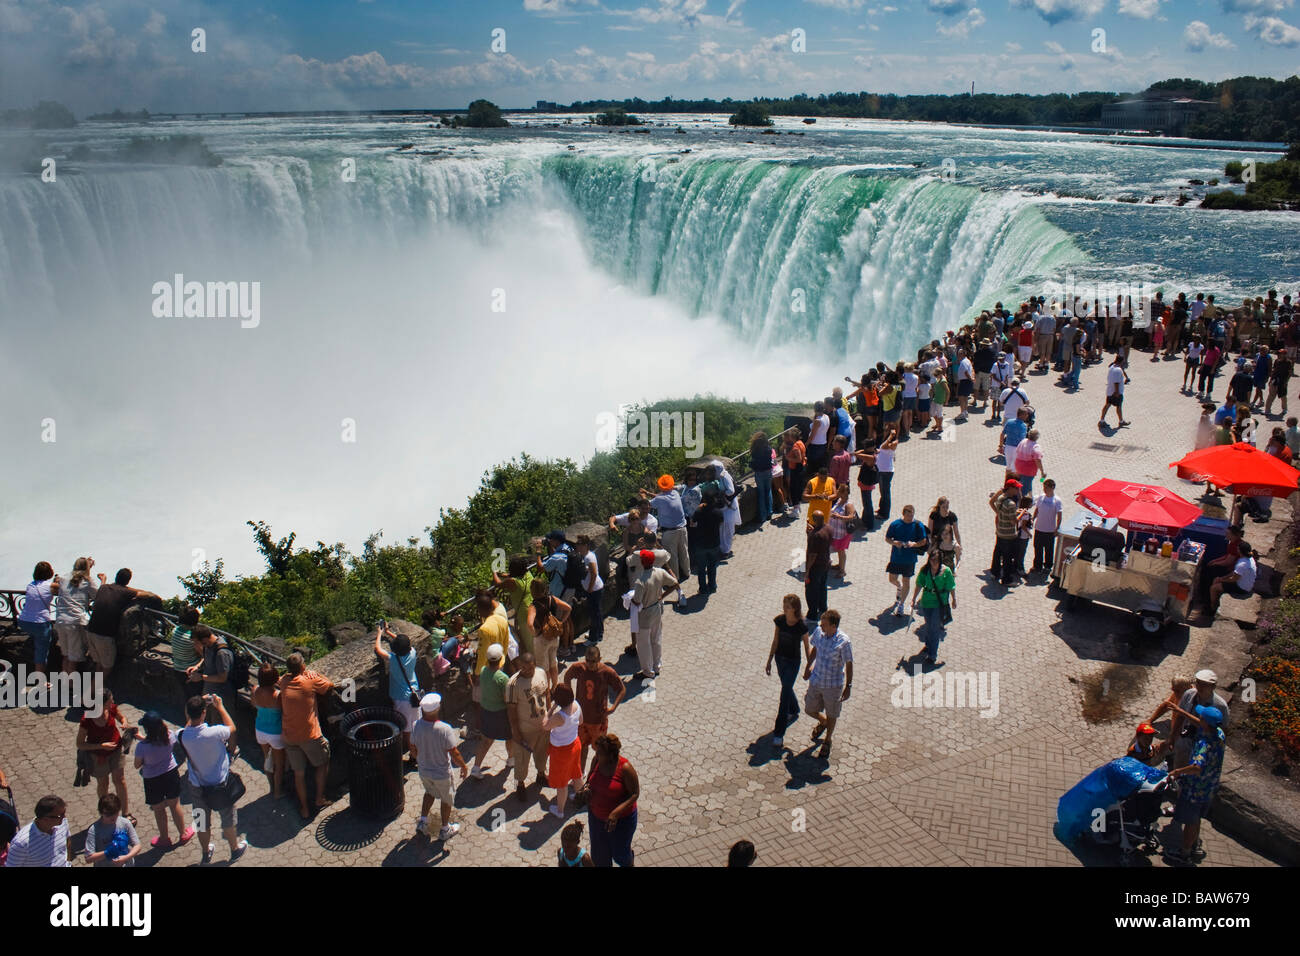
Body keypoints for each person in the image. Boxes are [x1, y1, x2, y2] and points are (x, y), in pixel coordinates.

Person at [177, 694, 246, 863]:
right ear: (204, 713)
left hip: (196, 785)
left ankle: (206, 853)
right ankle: (234, 850)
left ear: (188, 713)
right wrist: (220, 706)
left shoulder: (181, 736)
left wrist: (194, 707)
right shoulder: (214, 732)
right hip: (220, 784)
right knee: (227, 818)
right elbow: (232, 728)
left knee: (201, 821)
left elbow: (186, 728)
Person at [1164, 704, 1226, 865]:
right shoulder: (1219, 734)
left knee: (1190, 822)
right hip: (1209, 788)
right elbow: (1201, 724)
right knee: (1197, 817)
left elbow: (1197, 767)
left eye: (1202, 717)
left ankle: (1184, 852)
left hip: (1194, 791)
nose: (1200, 719)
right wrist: (1182, 712)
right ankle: (1194, 844)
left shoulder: (1203, 745)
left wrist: (1177, 772)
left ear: (1206, 723)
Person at [277, 653, 334, 820]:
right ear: (303, 667)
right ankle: (319, 798)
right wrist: (316, 674)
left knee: (299, 773)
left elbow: (280, 679)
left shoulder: (284, 681)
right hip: (310, 735)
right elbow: (329, 685)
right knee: (322, 764)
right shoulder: (310, 680)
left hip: (289, 735)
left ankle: (304, 808)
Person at [85, 568, 160, 683]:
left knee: (99, 664)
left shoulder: (104, 588)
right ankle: (89, 694)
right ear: (128, 581)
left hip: (90, 631)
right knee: (107, 667)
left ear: (116, 577)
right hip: (104, 635)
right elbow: (147, 594)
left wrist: (103, 579)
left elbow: (104, 586)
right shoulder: (126, 592)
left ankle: (93, 692)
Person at [411, 693, 469, 841]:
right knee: (446, 799)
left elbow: (413, 749)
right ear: (438, 708)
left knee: (429, 793)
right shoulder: (445, 729)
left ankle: (423, 821)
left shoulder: (416, 725)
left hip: (424, 771)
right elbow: (454, 752)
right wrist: (463, 766)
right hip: (442, 774)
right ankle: (445, 829)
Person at [132, 711, 193, 849]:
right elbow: (156, 743)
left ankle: (164, 839)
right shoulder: (169, 735)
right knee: (174, 804)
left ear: (147, 729)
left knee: (159, 810)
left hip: (152, 780)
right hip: (170, 774)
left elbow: (137, 765)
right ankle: (183, 833)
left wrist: (142, 740)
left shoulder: (142, 747)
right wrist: (142, 738)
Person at [564, 644, 625, 774]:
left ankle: (595, 774)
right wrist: (569, 698)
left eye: (593, 661)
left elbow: (621, 689)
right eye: (587, 660)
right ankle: (580, 773)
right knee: (581, 747)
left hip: (598, 721)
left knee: (600, 750)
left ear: (599, 659)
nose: (590, 664)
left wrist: (613, 708)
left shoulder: (607, 672)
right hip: (581, 719)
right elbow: (567, 677)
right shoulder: (579, 668)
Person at [580, 733, 639, 867]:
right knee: (600, 857)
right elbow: (589, 779)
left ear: (611, 755)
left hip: (621, 821)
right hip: (596, 818)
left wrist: (615, 813)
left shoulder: (625, 769)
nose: (597, 754)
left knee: (620, 855)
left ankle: (629, 861)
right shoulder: (596, 761)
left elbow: (635, 793)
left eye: (600, 752)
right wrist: (585, 789)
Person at [76, 687, 132, 824]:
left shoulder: (111, 709)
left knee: (120, 780)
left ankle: (125, 814)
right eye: (110, 700)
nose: (113, 702)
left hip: (116, 750)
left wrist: (124, 722)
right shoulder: (87, 720)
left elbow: (121, 717)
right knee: (103, 783)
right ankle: (108, 813)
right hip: (98, 756)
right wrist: (101, 746)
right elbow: (80, 744)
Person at [803, 610, 852, 760]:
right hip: (817, 680)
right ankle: (822, 721)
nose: (821, 627)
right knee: (809, 708)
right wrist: (808, 666)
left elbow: (849, 664)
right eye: (821, 624)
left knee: (832, 713)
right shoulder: (819, 632)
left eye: (824, 625)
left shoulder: (843, 642)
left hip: (833, 685)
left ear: (833, 626)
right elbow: (815, 649)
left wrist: (848, 686)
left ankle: (827, 740)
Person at [766, 594, 811, 747]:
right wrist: (770, 660)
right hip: (780, 659)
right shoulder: (779, 620)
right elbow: (775, 640)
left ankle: (779, 732)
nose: (785, 609)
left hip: (793, 661)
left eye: (788, 607)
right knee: (786, 687)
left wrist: (809, 666)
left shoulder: (801, 626)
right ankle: (795, 708)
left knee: (784, 694)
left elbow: (806, 646)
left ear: (795, 609)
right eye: (784, 605)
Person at [504, 652, 549, 800]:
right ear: (519, 666)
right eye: (524, 668)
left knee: (542, 753)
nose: (528, 671)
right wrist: (515, 731)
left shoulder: (541, 673)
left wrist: (549, 715)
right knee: (522, 759)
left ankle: (541, 775)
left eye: (530, 668)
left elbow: (547, 693)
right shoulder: (513, 684)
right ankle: (520, 785)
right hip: (525, 729)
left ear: (534, 665)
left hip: (542, 726)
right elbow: (511, 710)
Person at [54, 557, 105, 683]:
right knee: (73, 658)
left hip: (60, 620)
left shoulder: (64, 578)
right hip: (75, 622)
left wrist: (87, 566)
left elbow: (72, 580)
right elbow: (100, 596)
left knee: (65, 656)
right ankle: (70, 687)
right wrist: (103, 580)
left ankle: (64, 683)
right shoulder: (88, 581)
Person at [630, 549, 678, 680]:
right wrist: (662, 596)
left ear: (642, 562)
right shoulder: (660, 572)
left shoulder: (640, 581)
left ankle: (647, 671)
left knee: (644, 644)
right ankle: (657, 666)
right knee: (656, 639)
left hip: (645, 615)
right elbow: (675, 583)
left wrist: (630, 601)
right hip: (657, 610)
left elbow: (637, 601)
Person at [374, 624, 419, 761]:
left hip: (401, 699)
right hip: (415, 695)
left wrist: (380, 633)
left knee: (406, 731)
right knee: (416, 726)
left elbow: (378, 649)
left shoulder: (393, 659)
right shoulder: (413, 653)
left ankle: (416, 757)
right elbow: (406, 643)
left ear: (395, 649)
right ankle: (417, 753)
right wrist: (389, 632)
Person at [544, 684, 584, 819]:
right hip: (575, 744)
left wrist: (550, 710)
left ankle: (560, 810)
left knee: (562, 784)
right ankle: (579, 799)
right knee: (577, 774)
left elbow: (545, 725)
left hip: (561, 751)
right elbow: (581, 721)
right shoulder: (577, 705)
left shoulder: (559, 716)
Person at [16, 561, 58, 687]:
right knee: (41, 652)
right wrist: (58, 581)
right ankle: (41, 681)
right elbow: (61, 591)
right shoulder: (50, 586)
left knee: (37, 641)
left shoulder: (30, 585)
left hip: (23, 621)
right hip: (39, 623)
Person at [471, 643, 510, 778]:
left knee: (486, 740)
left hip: (486, 710)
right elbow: (506, 699)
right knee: (509, 737)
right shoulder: (503, 678)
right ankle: (511, 760)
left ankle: (476, 767)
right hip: (500, 712)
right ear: (501, 659)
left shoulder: (482, 671)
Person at [912, 549, 956, 666]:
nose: (934, 563)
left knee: (934, 629)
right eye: (932, 560)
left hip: (939, 603)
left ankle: (932, 655)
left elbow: (951, 586)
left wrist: (954, 600)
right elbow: (919, 584)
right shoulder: (925, 570)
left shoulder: (946, 571)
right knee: (928, 625)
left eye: (936, 561)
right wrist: (914, 598)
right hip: (927, 602)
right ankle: (928, 644)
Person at [527, 578, 570, 690]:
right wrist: (561, 622)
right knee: (553, 663)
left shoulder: (533, 606)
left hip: (541, 638)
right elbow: (568, 608)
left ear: (532, 591)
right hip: (554, 636)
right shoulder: (552, 599)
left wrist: (535, 634)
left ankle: (547, 690)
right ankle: (555, 686)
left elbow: (530, 624)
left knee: (543, 667)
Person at [884, 504, 928, 616]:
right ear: (903, 514)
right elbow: (887, 538)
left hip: (909, 559)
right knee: (892, 579)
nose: (910, 518)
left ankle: (901, 605)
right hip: (896, 558)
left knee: (906, 581)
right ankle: (899, 587)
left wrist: (914, 544)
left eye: (912, 515)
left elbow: (923, 541)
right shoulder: (895, 524)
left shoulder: (918, 525)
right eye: (908, 516)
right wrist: (895, 543)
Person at [4, 795, 71, 867]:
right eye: (61, 815)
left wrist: (68, 862)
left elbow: (68, 842)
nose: (64, 817)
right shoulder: (21, 843)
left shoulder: (62, 823)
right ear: (46, 818)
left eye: (64, 812)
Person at [644, 476, 690, 579]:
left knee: (672, 556)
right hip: (682, 528)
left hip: (669, 532)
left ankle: (675, 578)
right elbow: (662, 496)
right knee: (684, 552)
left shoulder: (659, 499)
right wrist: (648, 493)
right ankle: (687, 573)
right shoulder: (675, 493)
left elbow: (647, 504)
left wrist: (643, 496)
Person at [186, 625, 235, 719]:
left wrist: (201, 677)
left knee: (219, 724)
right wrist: (197, 666)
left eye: (196, 642)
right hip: (209, 691)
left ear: (204, 639)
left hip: (221, 695)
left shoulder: (222, 653)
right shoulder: (208, 645)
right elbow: (207, 658)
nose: (195, 645)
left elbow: (222, 678)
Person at [83, 793, 141, 867]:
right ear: (101, 813)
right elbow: (88, 858)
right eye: (108, 814)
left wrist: (126, 857)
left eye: (115, 813)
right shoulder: (94, 830)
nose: (112, 817)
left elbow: (137, 845)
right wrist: (107, 852)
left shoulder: (125, 823)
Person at [1207, 542, 1257, 620]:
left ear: (1240, 551)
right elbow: (1234, 572)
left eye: (1238, 548)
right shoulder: (1249, 559)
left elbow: (1234, 579)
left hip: (1241, 588)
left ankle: (1212, 608)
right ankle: (1214, 602)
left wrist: (1222, 579)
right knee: (1216, 580)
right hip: (1245, 583)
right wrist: (1222, 578)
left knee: (1213, 588)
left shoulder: (1243, 564)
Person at [689, 492, 724, 597]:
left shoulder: (699, 511)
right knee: (712, 566)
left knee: (701, 568)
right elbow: (721, 523)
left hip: (701, 544)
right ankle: (712, 586)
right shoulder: (718, 512)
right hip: (714, 543)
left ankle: (703, 589)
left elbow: (692, 523)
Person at [990, 479, 1022, 586]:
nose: (1018, 490)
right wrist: (1021, 514)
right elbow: (1014, 521)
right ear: (1011, 488)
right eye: (1016, 488)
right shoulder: (1011, 504)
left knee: (998, 553)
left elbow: (1002, 510)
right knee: (1008, 558)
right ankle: (1007, 579)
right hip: (1009, 535)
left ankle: (995, 572)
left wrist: (1001, 514)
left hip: (1000, 532)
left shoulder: (1000, 498)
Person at [575, 535, 605, 643]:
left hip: (594, 590)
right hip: (594, 589)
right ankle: (599, 633)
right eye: (577, 544)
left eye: (579, 544)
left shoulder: (588, 557)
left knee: (594, 614)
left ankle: (593, 639)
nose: (577, 546)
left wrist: (590, 589)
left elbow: (594, 574)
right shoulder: (585, 555)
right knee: (597, 613)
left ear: (586, 545)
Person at [804, 510, 833, 624]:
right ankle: (823, 608)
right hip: (826, 563)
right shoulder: (828, 528)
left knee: (812, 591)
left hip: (816, 567)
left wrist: (807, 571)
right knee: (822, 587)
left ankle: (812, 615)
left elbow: (812, 555)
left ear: (815, 520)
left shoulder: (815, 535)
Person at [1030, 479, 1063, 575]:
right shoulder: (1041, 497)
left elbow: (1059, 515)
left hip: (1049, 530)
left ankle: (1048, 566)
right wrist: (1033, 518)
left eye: (1046, 487)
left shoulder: (1057, 500)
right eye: (1044, 487)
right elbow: (1037, 509)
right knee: (1037, 548)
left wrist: (1057, 528)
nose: (1044, 489)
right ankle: (1037, 566)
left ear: (1052, 488)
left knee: (1049, 549)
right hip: (1039, 528)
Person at [170, 604, 201, 697]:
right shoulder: (192, 638)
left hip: (177, 669)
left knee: (186, 696)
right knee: (194, 697)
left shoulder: (175, 630)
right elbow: (203, 655)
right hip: (190, 671)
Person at [828, 484, 859, 579]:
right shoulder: (839, 500)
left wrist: (839, 517)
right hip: (835, 532)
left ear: (844, 493)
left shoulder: (848, 504)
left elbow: (851, 516)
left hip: (842, 533)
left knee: (841, 551)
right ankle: (839, 565)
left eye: (839, 490)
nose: (837, 491)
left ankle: (842, 571)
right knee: (838, 550)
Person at [928, 497, 961, 571]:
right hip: (936, 541)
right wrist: (930, 544)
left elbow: (956, 532)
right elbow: (929, 531)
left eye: (947, 507)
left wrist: (959, 544)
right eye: (943, 507)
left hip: (947, 541)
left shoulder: (952, 516)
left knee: (948, 561)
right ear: (939, 506)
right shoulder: (934, 515)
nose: (945, 509)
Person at [1099, 353, 1130, 428]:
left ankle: (1102, 420)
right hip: (1115, 392)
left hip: (1110, 391)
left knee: (1107, 405)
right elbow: (1116, 382)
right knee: (1118, 407)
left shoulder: (1112, 367)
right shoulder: (1118, 370)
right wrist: (1117, 392)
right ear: (1122, 361)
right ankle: (1121, 422)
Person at [750, 431, 775, 524]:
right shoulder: (768, 448)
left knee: (761, 493)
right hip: (768, 471)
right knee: (768, 490)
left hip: (759, 472)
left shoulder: (755, 450)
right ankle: (770, 512)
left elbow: (753, 461)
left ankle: (763, 516)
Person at [1013, 428, 1044, 497]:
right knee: (1025, 487)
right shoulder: (1036, 447)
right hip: (1028, 470)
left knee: (1026, 483)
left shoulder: (1023, 441)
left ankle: (1031, 497)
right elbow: (1038, 460)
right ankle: (1020, 501)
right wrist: (1042, 471)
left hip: (1018, 466)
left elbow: (1017, 451)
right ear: (1037, 437)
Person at [875, 428, 898, 521]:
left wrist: (891, 436)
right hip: (882, 470)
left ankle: (884, 514)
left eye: (886, 430)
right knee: (882, 492)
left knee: (885, 493)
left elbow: (883, 447)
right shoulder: (887, 442)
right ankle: (881, 509)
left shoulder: (893, 443)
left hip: (886, 471)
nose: (884, 430)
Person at [782, 430, 807, 519]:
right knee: (798, 487)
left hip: (796, 469)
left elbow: (799, 459)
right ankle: (797, 506)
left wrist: (788, 458)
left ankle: (796, 509)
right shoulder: (801, 443)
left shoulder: (796, 446)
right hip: (801, 468)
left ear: (793, 437)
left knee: (794, 488)